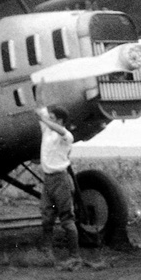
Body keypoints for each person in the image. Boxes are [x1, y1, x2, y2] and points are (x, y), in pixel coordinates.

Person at [37, 105, 81, 262]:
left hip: (61, 180)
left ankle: (74, 256)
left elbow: (61, 131)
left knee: (67, 219)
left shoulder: (66, 136)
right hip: (48, 179)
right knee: (47, 217)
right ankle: (47, 252)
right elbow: (40, 107)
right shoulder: (47, 131)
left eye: (52, 118)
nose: (49, 120)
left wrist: (44, 119)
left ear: (60, 120)